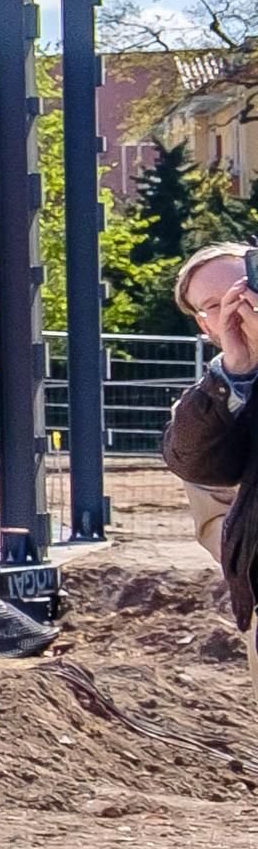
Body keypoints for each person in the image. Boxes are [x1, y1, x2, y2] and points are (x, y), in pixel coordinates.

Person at [159, 240, 258, 612]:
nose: (235, 307)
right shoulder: (208, 405)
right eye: (214, 305)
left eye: (243, 289)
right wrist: (236, 374)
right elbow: (213, 512)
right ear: (204, 324)